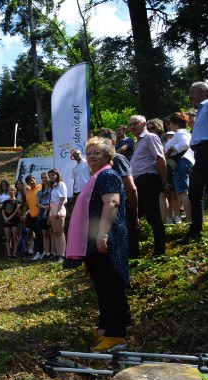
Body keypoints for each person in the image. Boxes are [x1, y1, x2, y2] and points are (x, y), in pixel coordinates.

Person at [65, 137, 130, 353]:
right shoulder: (96, 177)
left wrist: (102, 235)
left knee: (111, 286)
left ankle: (116, 334)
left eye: (97, 152)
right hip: (94, 242)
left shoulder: (108, 175)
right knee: (102, 287)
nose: (92, 155)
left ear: (108, 155)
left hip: (106, 239)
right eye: (89, 152)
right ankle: (105, 328)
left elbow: (112, 203)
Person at [178, 82, 208, 244]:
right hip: (200, 154)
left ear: (203, 92)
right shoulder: (200, 111)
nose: (190, 95)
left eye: (193, 91)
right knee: (194, 192)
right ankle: (195, 231)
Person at [94, 128, 141, 259]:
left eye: (102, 141)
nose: (98, 144)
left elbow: (131, 188)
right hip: (109, 212)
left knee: (129, 253)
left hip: (123, 210)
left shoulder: (118, 159)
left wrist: (135, 215)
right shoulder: (101, 164)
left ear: (112, 141)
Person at [129, 114, 167, 255]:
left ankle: (159, 252)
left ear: (144, 124)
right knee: (132, 217)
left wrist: (163, 182)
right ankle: (133, 254)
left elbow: (160, 159)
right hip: (138, 182)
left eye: (135, 123)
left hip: (148, 180)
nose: (132, 126)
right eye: (130, 124)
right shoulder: (138, 142)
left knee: (153, 216)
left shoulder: (150, 137)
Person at [163, 113, 193, 225]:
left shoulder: (180, 132)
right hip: (185, 162)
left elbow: (185, 144)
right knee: (183, 192)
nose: (169, 126)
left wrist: (171, 150)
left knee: (183, 193)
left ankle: (190, 220)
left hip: (181, 162)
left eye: (170, 123)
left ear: (175, 123)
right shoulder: (185, 132)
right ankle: (190, 219)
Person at [48, 168, 68, 259]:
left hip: (58, 208)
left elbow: (63, 198)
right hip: (52, 208)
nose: (51, 177)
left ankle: (62, 254)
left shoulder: (61, 184)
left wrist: (58, 211)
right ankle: (57, 253)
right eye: (50, 175)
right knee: (55, 232)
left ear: (57, 175)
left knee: (60, 232)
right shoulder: (53, 186)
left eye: (53, 175)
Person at [24, 174, 42, 259]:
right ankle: (39, 252)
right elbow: (30, 206)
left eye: (32, 180)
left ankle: (46, 252)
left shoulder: (41, 187)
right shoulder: (28, 194)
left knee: (44, 235)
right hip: (33, 217)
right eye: (29, 182)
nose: (31, 182)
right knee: (37, 235)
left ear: (35, 179)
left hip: (42, 215)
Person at [35, 172, 52, 260]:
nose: (45, 179)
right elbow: (37, 203)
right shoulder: (40, 191)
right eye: (43, 178)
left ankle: (53, 252)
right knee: (44, 233)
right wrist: (44, 207)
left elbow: (53, 200)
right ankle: (47, 252)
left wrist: (47, 208)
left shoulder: (52, 189)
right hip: (42, 210)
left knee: (51, 232)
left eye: (46, 177)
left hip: (51, 209)